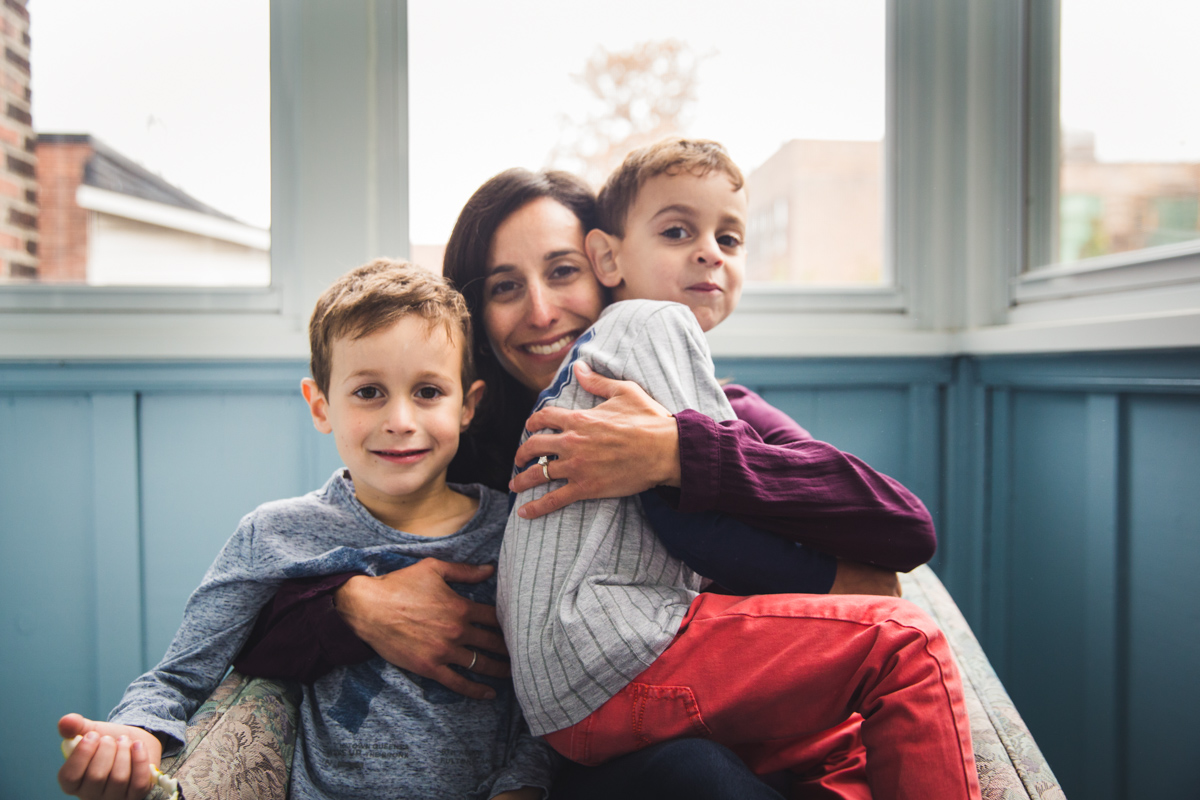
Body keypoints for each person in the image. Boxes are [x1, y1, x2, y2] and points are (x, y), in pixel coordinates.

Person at [234, 166, 942, 797]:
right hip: (584, 757)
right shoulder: (450, 451)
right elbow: (251, 614)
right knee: (698, 774)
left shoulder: (723, 415)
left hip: (757, 717)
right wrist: (357, 609)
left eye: (563, 272)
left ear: (608, 268)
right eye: (506, 287)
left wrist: (678, 454)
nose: (542, 311)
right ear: (471, 316)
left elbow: (901, 526)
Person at [498, 138, 980, 800]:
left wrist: (676, 451)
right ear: (609, 257)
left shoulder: (642, 367)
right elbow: (697, 528)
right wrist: (840, 581)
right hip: (610, 656)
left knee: (839, 743)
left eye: (730, 237)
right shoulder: (649, 324)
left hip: (572, 686)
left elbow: (901, 523)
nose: (709, 252)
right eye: (677, 231)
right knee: (908, 645)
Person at [57, 260, 554, 800]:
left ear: (467, 406)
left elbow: (546, 697)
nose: (401, 420)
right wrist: (135, 732)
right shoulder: (276, 533)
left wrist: (522, 786)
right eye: (369, 392)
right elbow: (177, 677)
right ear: (320, 406)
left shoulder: (516, 529)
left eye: (429, 392)